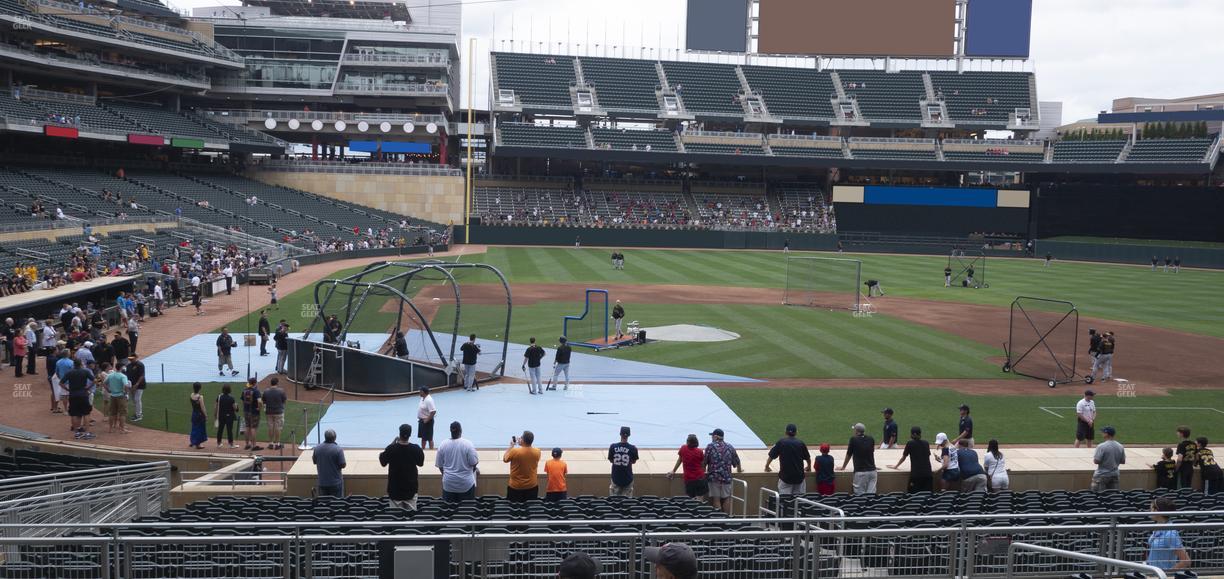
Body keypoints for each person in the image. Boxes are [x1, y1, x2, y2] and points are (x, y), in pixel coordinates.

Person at [380, 424, 425, 510]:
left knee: (395, 519)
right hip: (410, 490)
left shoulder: (391, 449)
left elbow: (383, 461)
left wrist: (392, 444)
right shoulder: (415, 449)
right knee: (411, 518)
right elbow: (420, 463)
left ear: (399, 434)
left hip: (394, 491)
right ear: (410, 434)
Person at [1145, 496, 1191, 572]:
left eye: (1151, 509)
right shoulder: (1157, 527)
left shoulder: (1170, 534)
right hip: (1153, 573)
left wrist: (1167, 574)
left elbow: (1186, 561)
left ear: (1158, 511)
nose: (1149, 511)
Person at [436, 421, 479, 502]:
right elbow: (474, 463)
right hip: (466, 485)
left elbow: (440, 466)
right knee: (465, 511)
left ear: (450, 431)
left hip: (448, 484)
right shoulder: (468, 444)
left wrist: (448, 475)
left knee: (448, 512)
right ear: (461, 430)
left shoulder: (442, 445)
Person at [703, 429, 742, 513]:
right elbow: (737, 462)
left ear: (716, 436)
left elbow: (704, 462)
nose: (711, 438)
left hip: (714, 477)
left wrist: (702, 472)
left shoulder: (710, 446)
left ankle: (718, 520)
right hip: (727, 478)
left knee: (716, 499)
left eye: (712, 436)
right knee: (726, 498)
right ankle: (726, 520)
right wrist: (739, 470)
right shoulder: (730, 446)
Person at [765, 423, 811, 495]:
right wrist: (809, 466)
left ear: (785, 432)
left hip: (785, 478)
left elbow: (771, 456)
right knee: (798, 502)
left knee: (785, 501)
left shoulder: (781, 442)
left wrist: (767, 466)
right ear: (796, 432)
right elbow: (808, 458)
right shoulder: (801, 443)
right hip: (799, 477)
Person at [890, 426, 933, 493]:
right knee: (927, 495)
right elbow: (927, 455)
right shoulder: (926, 443)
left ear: (914, 434)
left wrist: (896, 466)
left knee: (913, 494)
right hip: (928, 474)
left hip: (917, 475)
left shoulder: (910, 443)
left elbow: (904, 457)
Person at [839, 423, 878, 494]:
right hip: (873, 472)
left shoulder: (853, 439)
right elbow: (871, 452)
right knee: (871, 496)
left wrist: (843, 467)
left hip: (861, 473)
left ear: (857, 431)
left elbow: (849, 454)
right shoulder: (871, 439)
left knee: (860, 497)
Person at [503, 430, 541, 501]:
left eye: (521, 437)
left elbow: (505, 459)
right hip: (532, 487)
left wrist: (511, 446)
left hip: (515, 487)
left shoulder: (514, 451)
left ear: (523, 440)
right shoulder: (537, 451)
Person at [668, 434, 707, 500]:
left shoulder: (683, 448)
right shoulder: (699, 451)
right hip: (700, 478)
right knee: (700, 499)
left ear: (688, 442)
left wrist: (673, 470)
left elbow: (679, 460)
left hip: (689, 479)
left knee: (690, 500)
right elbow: (703, 465)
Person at [64, 358, 95, 440]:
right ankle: (87, 433)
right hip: (83, 394)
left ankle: (77, 433)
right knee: (86, 413)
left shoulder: (69, 372)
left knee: (74, 414)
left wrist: (68, 390)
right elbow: (95, 380)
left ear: (74, 364)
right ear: (81, 363)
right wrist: (88, 388)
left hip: (73, 395)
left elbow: (61, 383)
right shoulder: (85, 371)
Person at [313, 429, 346, 497]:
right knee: (337, 505)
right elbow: (343, 464)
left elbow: (314, 461)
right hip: (335, 483)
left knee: (323, 505)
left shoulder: (317, 448)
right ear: (335, 438)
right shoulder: (338, 449)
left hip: (322, 483)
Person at [1092, 426, 1125, 491]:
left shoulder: (1101, 446)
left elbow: (1096, 461)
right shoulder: (1120, 446)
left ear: (1106, 434)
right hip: (1115, 475)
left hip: (1102, 475)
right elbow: (1123, 461)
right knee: (1112, 497)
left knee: (1098, 497)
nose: (1102, 433)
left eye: (1103, 432)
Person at [608, 426, 639, 496]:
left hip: (616, 478)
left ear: (620, 434)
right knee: (626, 503)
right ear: (629, 435)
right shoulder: (633, 448)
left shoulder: (613, 447)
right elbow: (634, 461)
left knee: (614, 502)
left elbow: (611, 460)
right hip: (628, 478)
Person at [104, 362, 131, 434]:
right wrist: (126, 392)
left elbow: (104, 383)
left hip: (112, 396)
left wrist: (108, 390)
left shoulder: (110, 375)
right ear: (121, 367)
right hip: (121, 396)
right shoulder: (123, 376)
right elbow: (126, 385)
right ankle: (122, 429)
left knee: (112, 413)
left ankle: (110, 429)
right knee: (122, 413)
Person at [263, 377, 286, 450]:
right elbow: (284, 401)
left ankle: (270, 443)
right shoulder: (281, 391)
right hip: (278, 412)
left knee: (270, 427)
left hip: (269, 412)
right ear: (277, 383)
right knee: (278, 427)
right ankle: (277, 444)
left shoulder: (266, 391)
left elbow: (264, 401)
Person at [241, 377, 263, 451]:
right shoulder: (256, 391)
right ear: (255, 383)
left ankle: (247, 444)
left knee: (247, 427)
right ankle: (254, 445)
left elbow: (242, 400)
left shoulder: (244, 390)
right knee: (253, 428)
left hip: (246, 411)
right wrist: (259, 408)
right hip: (254, 412)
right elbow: (259, 401)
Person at [215, 384, 238, 448]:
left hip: (221, 416)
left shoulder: (219, 397)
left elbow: (216, 407)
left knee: (220, 429)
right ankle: (231, 444)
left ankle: (219, 443)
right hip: (229, 416)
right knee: (229, 430)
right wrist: (237, 406)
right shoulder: (231, 398)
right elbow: (235, 408)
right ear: (229, 390)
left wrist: (215, 415)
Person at [188, 382, 208, 449]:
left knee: (194, 428)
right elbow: (203, 408)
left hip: (194, 413)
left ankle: (192, 441)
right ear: (200, 388)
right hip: (199, 415)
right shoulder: (200, 397)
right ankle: (198, 444)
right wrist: (206, 415)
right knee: (200, 429)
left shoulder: (191, 395)